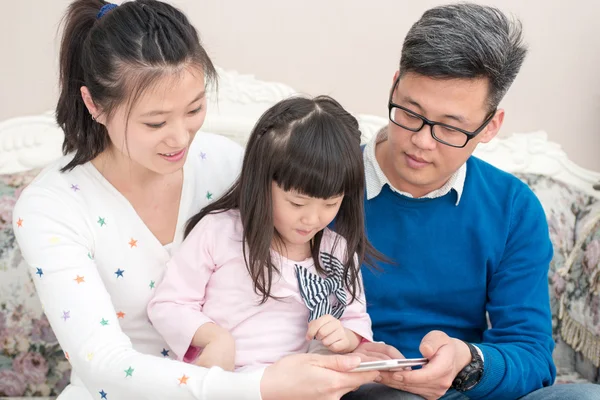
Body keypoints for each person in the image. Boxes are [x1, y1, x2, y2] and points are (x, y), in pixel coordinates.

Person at [12, 1, 379, 399]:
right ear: (94, 105)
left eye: (194, 109)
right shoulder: (52, 206)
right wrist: (253, 386)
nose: (181, 138)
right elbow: (102, 363)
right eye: (156, 122)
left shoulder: (228, 165)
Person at [344, 3, 600, 400]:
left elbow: (532, 355)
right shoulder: (322, 184)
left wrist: (468, 363)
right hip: (358, 387)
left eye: (450, 127)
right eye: (410, 113)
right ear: (394, 87)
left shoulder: (513, 207)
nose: (422, 142)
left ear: (490, 127)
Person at [148, 96, 375, 372]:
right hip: (227, 381)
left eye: (330, 204)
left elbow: (356, 319)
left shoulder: (336, 250)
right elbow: (169, 304)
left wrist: (345, 336)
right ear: (262, 181)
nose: (313, 219)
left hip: (300, 384)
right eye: (297, 203)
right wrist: (214, 337)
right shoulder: (220, 232)